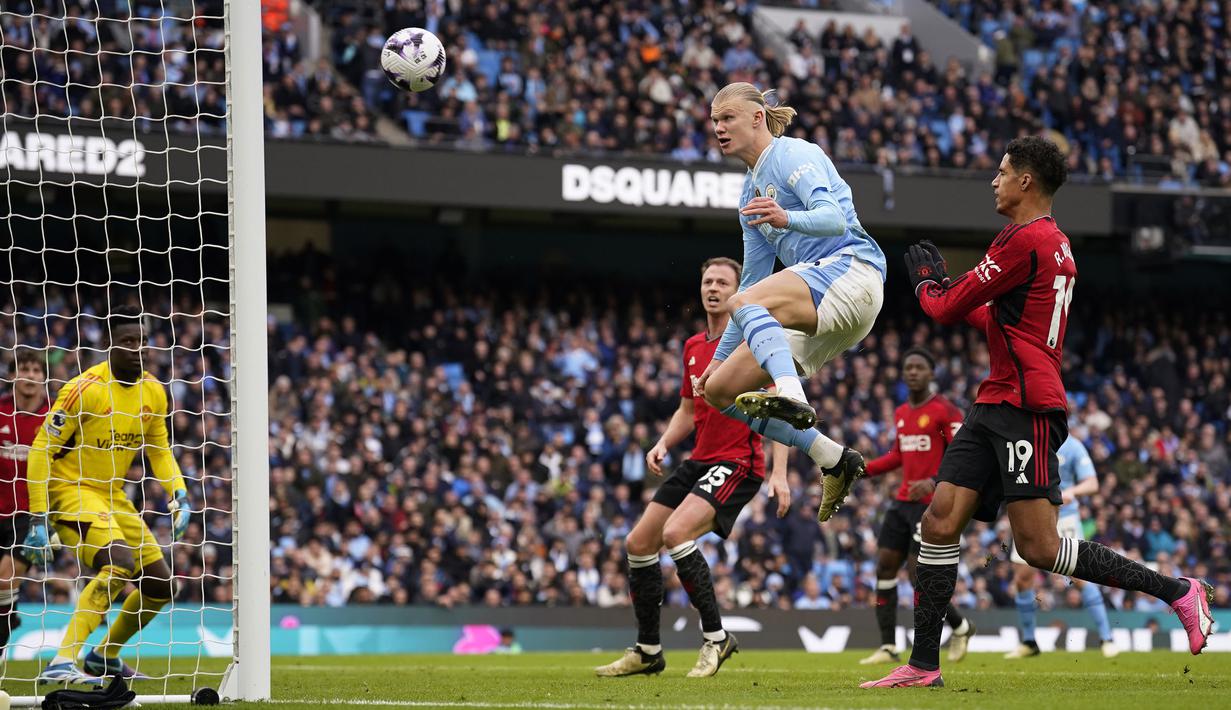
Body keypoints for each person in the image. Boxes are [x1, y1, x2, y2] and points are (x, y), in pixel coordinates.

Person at [862, 136, 1213, 690]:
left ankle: (1179, 592)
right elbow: (999, 322)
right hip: (995, 401)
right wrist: (951, 293)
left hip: (1026, 407)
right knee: (939, 521)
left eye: (1002, 172)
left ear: (1025, 180)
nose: (994, 180)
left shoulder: (1025, 240)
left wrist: (929, 287)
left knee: (1039, 548)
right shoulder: (1054, 243)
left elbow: (947, 309)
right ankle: (923, 664)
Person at [694, 82, 886, 524]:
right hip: (822, 304)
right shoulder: (748, 195)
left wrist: (786, 217)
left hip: (852, 272)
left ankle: (790, 392)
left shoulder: (792, 154)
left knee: (746, 301)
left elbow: (833, 218)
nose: (718, 128)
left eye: (727, 118)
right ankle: (833, 458)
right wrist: (717, 360)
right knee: (720, 390)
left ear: (757, 117)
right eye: (715, 120)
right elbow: (753, 282)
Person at [596, 257, 788, 679]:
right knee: (638, 543)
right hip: (699, 459)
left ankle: (717, 638)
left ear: (738, 291)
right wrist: (664, 442)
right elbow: (687, 410)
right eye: (707, 282)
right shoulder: (693, 347)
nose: (713, 288)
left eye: (722, 282)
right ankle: (648, 651)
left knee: (676, 533)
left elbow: (782, 407)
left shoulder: (754, 343)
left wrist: (780, 472)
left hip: (739, 462)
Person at [25, 306, 191, 684]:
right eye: (128, 341)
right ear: (108, 345)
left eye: (142, 341)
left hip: (112, 496)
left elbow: (160, 450)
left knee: (161, 585)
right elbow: (40, 450)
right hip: (71, 491)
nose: (138, 349)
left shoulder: (154, 391)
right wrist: (38, 516)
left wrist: (179, 493)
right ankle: (62, 660)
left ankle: (104, 656)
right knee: (119, 562)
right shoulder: (83, 390)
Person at [859, 348, 974, 665]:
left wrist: (936, 480)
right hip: (902, 502)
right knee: (884, 566)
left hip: (931, 506)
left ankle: (960, 626)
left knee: (917, 575)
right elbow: (898, 455)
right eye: (908, 367)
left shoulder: (945, 411)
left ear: (931, 373)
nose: (912, 372)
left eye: (919, 367)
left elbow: (962, 454)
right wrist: (861, 470)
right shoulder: (901, 412)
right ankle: (888, 646)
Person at [1005, 434, 1117, 659]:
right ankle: (1029, 642)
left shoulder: (1072, 445)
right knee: (1022, 578)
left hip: (1064, 517)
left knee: (1078, 577)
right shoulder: (1026, 439)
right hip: (1029, 516)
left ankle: (1107, 638)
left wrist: (1072, 492)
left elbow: (1092, 483)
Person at [0, 349, 51, 658]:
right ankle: (11, 614)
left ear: (44, 377)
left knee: (5, 577)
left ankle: (2, 632)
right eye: (24, 369)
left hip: (31, 515)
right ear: (12, 376)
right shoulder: (1, 411)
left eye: (36, 370)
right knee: (4, 588)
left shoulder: (54, 417)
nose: (30, 375)